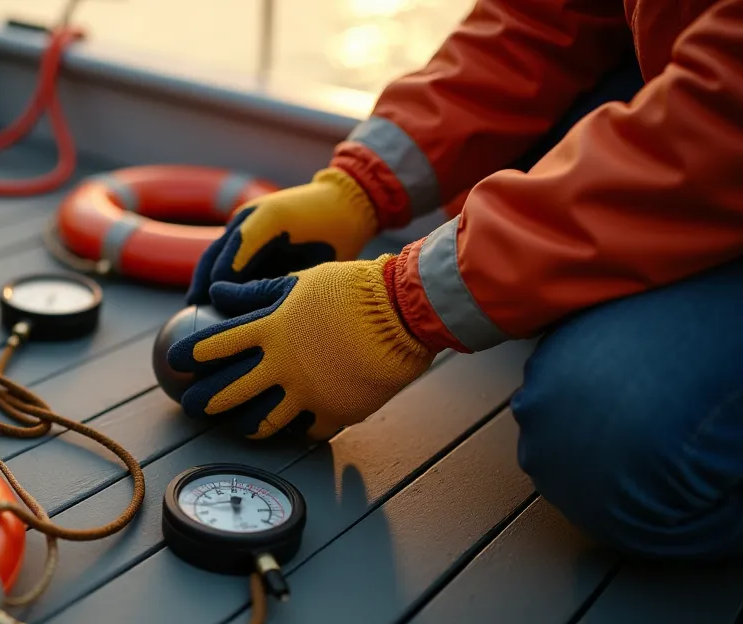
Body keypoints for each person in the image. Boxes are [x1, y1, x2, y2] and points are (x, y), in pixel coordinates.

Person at [170, 0, 743, 560]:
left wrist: (400, 305)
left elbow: (723, 123)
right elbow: (540, 20)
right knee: (516, 155)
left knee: (608, 432)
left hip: (718, 140)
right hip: (689, 122)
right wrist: (359, 185)